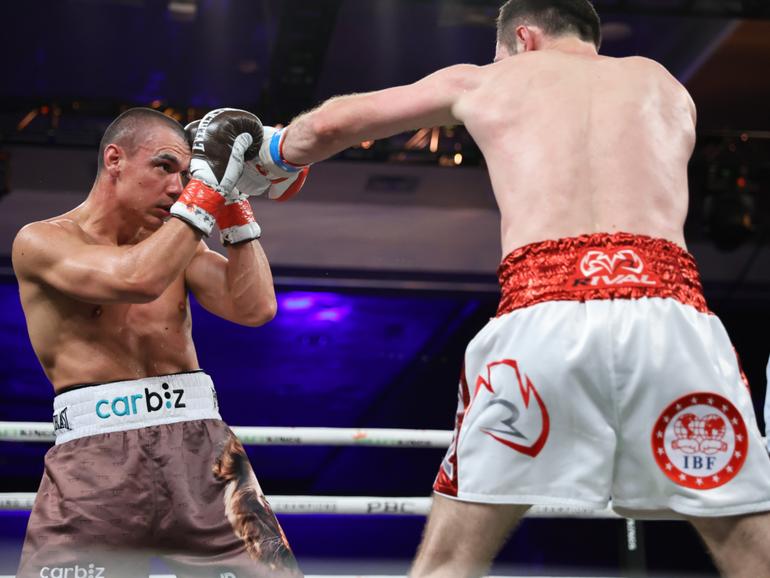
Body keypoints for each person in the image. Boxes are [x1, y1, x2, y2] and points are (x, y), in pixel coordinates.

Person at [253, 1, 770, 576]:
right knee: (750, 549)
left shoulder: (488, 79)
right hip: (672, 319)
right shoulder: (665, 85)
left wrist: (274, 153)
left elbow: (329, 125)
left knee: (451, 562)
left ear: (522, 37)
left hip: (542, 316)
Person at [12, 107, 306, 577]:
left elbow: (255, 308)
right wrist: (205, 191)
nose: (177, 187)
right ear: (115, 160)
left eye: (188, 173)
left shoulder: (177, 242)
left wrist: (230, 203)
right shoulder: (43, 241)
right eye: (164, 167)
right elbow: (138, 279)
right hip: (95, 463)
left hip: (203, 454)